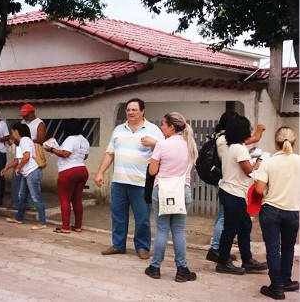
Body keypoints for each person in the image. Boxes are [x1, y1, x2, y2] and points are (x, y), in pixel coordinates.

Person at [95, 98, 163, 259]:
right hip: (119, 181)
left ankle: (142, 247)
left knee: (142, 218)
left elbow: (166, 150)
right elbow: (110, 153)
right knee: (118, 215)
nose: (130, 113)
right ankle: (118, 245)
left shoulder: (153, 130)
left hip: (141, 183)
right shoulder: (119, 129)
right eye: (128, 110)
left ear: (142, 111)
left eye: (134, 110)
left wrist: (154, 143)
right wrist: (100, 173)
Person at [143, 112, 198, 282]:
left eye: (163, 125)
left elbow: (152, 171)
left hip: (163, 190)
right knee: (179, 231)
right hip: (182, 190)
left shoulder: (162, 145)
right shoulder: (190, 145)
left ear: (172, 127)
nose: (161, 127)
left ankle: (155, 267)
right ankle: (182, 269)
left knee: (161, 229)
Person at [206, 111, 265, 262]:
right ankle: (224, 262)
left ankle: (247, 259)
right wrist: (259, 162)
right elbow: (248, 171)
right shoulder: (239, 148)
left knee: (244, 226)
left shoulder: (229, 146)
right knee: (231, 229)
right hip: (234, 193)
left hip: (231, 192)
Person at [255, 127, 300, 299]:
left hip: (271, 211)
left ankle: (276, 287)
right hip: (292, 211)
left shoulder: (268, 162)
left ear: (276, 142)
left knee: (273, 249)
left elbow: (259, 190)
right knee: (288, 248)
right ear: (293, 142)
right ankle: (286, 281)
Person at [45, 126, 89, 233]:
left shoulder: (70, 139)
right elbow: (85, 156)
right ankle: (78, 226)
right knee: (77, 200)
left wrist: (51, 149)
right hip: (82, 170)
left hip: (68, 171)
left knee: (65, 199)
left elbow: (65, 154)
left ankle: (65, 227)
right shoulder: (85, 141)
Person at [1, 123, 46, 229]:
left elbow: (26, 157)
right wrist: (7, 168)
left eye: (12, 132)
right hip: (28, 173)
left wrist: (19, 168)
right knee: (22, 196)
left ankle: (42, 222)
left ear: (17, 131)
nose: (12, 135)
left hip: (32, 172)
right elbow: (18, 160)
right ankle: (18, 218)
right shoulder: (21, 143)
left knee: (36, 197)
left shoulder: (25, 140)